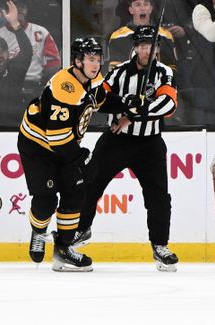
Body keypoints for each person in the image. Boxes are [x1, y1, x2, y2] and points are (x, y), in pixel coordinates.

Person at [17, 37, 135, 272]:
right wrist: (81, 160)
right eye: (91, 59)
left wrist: (125, 104)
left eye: (98, 60)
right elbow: (56, 137)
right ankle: (39, 231)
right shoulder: (64, 87)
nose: (96, 64)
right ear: (77, 61)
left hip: (63, 144)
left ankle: (63, 249)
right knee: (46, 200)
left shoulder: (92, 79)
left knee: (76, 192)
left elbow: (99, 99)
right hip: (38, 146)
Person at [73, 25, 180, 272]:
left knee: (159, 197)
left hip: (150, 144)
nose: (146, 50)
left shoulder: (165, 73)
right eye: (142, 45)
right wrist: (124, 106)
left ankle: (160, 245)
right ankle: (81, 229)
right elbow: (99, 98)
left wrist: (133, 115)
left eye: (151, 46)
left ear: (157, 49)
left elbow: (168, 104)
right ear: (135, 47)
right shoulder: (119, 72)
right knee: (90, 183)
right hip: (116, 139)